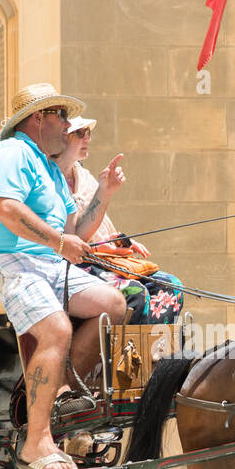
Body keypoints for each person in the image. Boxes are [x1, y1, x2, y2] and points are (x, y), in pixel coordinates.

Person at [0, 83, 127, 469]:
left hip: (36, 264)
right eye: (62, 117)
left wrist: (104, 192)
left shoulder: (48, 167)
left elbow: (74, 231)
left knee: (113, 303)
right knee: (55, 327)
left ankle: (58, 393)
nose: (68, 127)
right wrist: (56, 241)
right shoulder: (10, 152)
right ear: (38, 118)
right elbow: (7, 209)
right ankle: (36, 440)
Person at [51, 116, 184, 325]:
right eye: (80, 133)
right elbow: (69, 242)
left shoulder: (83, 177)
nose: (87, 138)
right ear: (62, 137)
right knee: (135, 292)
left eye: (88, 133)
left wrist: (117, 240)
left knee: (171, 286)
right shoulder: (47, 178)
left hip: (100, 260)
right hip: (72, 266)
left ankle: (154, 350)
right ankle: (125, 353)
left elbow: (97, 228)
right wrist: (103, 248)